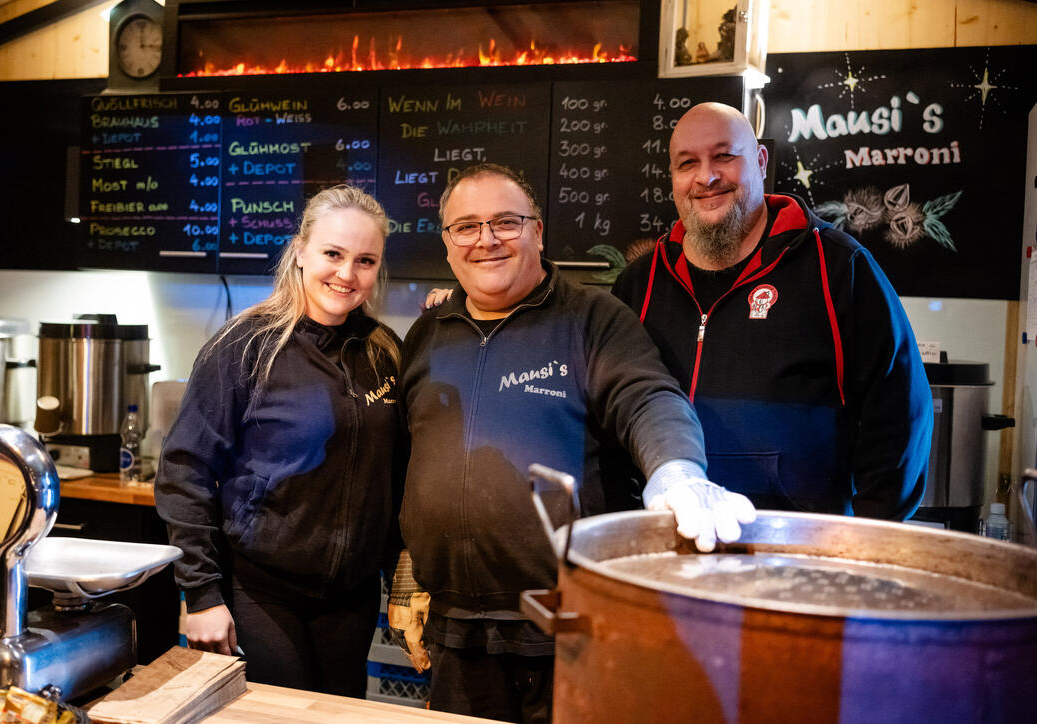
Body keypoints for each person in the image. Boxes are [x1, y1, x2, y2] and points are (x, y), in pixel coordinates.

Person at [390, 163, 755, 723]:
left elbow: (647, 398)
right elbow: (409, 466)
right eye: (466, 227)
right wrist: (406, 575)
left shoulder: (592, 319)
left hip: (568, 626)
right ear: (447, 243)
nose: (486, 240)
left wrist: (677, 469)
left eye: (505, 222)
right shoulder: (427, 334)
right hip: (457, 634)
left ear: (538, 231)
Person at [612, 102, 933, 519]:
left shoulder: (837, 267)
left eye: (724, 156)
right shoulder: (641, 283)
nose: (706, 177)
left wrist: (866, 543)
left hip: (797, 555)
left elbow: (900, 413)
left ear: (761, 161)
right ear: (672, 178)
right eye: (687, 163)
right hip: (662, 546)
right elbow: (607, 412)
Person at [154, 185, 406, 696]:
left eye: (365, 260)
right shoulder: (244, 346)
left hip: (352, 599)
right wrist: (201, 595)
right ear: (299, 252)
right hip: (261, 593)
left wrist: (402, 577)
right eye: (332, 254)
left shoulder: (384, 352)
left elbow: (396, 474)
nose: (346, 274)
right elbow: (185, 471)